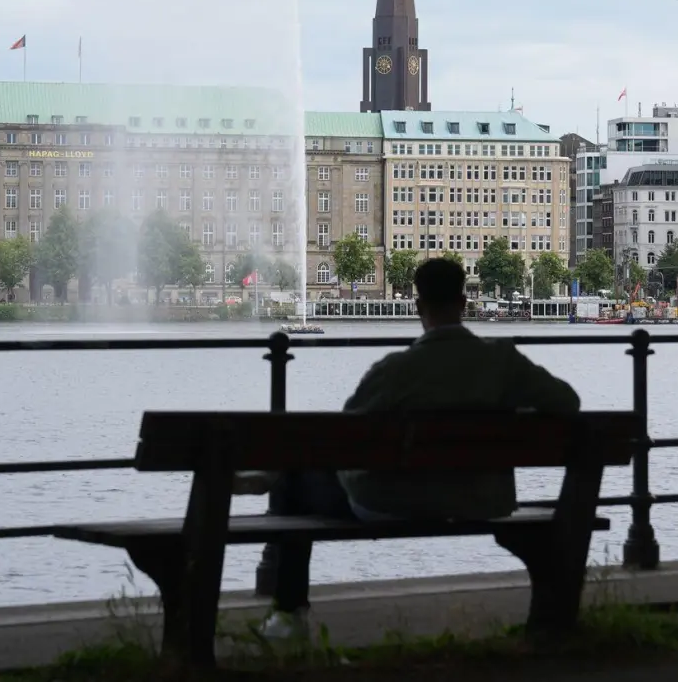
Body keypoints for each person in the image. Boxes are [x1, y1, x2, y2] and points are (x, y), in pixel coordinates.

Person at [241, 256, 580, 638]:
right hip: (482, 497)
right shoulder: (502, 361)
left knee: (293, 483)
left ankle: (289, 616)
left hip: (393, 502)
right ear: (464, 302)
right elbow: (567, 401)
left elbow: (343, 436)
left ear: (418, 306)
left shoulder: (395, 370)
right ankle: (556, 619)